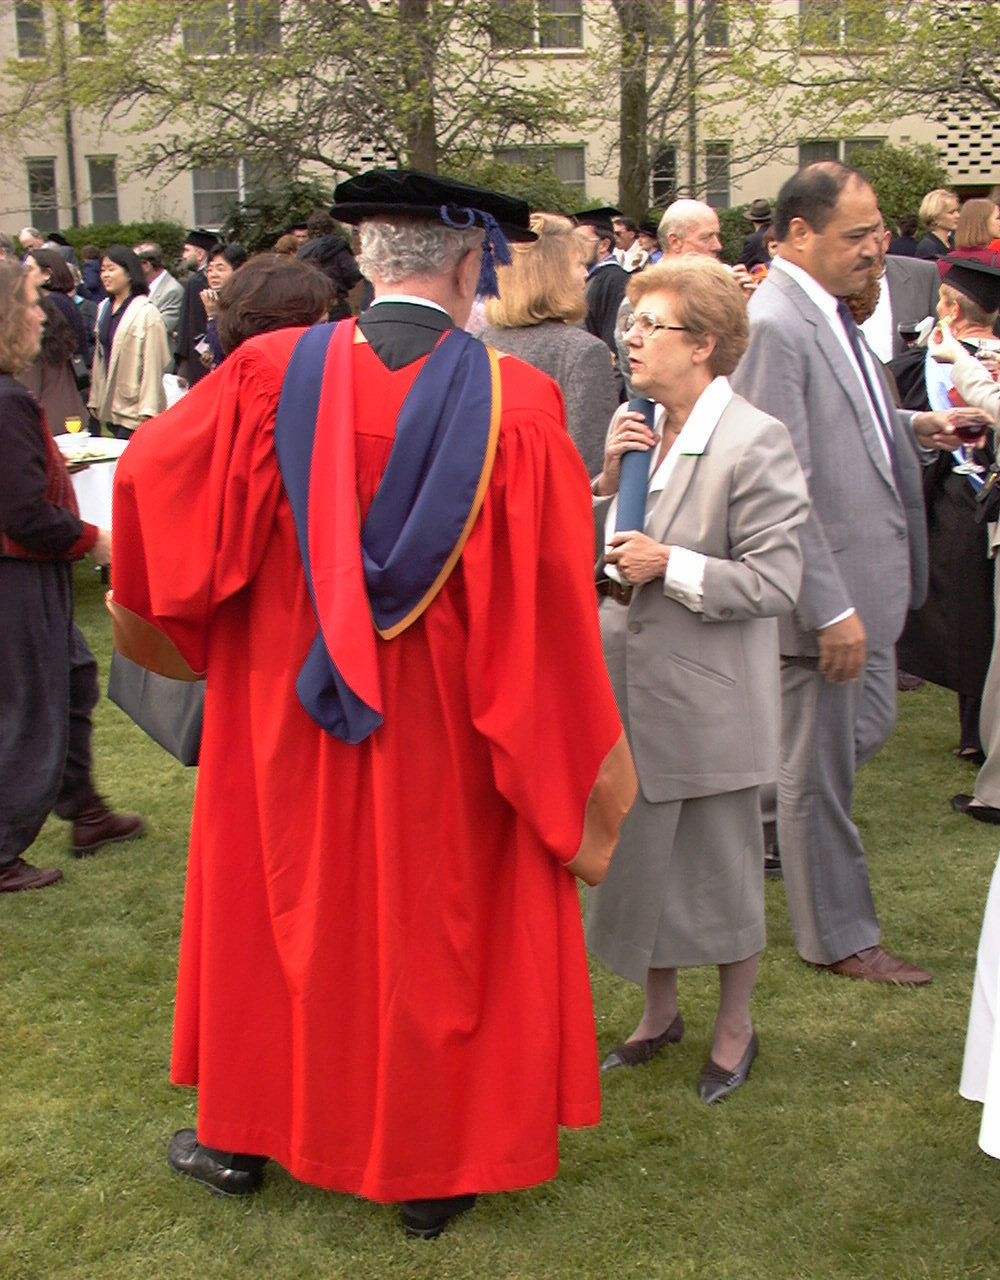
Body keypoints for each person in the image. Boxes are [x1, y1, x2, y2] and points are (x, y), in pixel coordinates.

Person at [109, 169, 636, 1239]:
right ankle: (432, 1173)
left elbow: (150, 486)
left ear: (366, 258)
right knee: (432, 934)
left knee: (274, 919)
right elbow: (544, 615)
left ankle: (240, 1137)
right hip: (441, 738)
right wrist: (556, 747)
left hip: (282, 726)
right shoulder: (519, 407)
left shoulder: (262, 375)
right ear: (468, 263)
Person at [731, 161, 963, 986]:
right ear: (797, 234)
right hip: (826, 600)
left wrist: (917, 426)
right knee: (817, 778)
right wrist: (827, 608)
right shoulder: (777, 323)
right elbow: (778, 481)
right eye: (857, 235)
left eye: (880, 232)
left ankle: (736, 825)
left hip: (865, 589)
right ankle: (839, 936)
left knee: (849, 742)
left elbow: (850, 417)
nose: (875, 249)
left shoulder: (824, 309)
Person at [587, 256, 808, 1102]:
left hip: (708, 702)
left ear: (704, 343)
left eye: (652, 326)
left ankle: (735, 1026)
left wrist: (669, 563)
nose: (633, 340)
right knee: (640, 864)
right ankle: (659, 1015)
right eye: (630, 324)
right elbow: (601, 557)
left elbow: (775, 583)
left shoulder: (755, 440)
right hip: (626, 692)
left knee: (720, 876)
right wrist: (607, 483)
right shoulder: (638, 425)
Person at [0, 261, 144, 893]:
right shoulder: (7, 401)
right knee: (30, 703)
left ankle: (83, 809)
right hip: (17, 573)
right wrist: (94, 539)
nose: (41, 315)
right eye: (31, 304)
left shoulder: (9, 395)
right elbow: (23, 513)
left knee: (70, 677)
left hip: (27, 572)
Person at [895, 257, 1000, 767]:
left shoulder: (935, 363)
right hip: (981, 498)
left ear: (952, 310)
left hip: (958, 499)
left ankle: (974, 733)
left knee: (966, 617)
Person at [480, 212, 619, 476]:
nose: (585, 273)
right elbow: (589, 468)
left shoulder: (479, 342)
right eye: (578, 264)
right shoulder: (583, 353)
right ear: (553, 276)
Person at [87, 245, 169, 439]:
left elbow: (153, 364)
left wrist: (148, 409)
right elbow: (100, 357)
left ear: (129, 273)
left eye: (111, 269)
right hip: (111, 403)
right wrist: (95, 398)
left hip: (135, 406)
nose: (105, 275)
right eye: (103, 270)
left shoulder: (146, 312)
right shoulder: (104, 308)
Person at [173, 229, 218, 387]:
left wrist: (182, 365)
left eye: (187, 250)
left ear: (200, 254)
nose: (184, 256)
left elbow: (188, 324)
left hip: (199, 357)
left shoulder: (196, 282)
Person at [198, 242, 248, 371]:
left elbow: (226, 350)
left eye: (220, 269)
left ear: (238, 271)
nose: (213, 275)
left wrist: (213, 317)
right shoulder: (215, 299)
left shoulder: (245, 303)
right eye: (209, 270)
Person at [134, 242, 184, 355]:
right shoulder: (141, 287)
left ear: (146, 265)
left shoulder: (172, 290)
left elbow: (158, 328)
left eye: (133, 264)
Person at [916, 189, 960, 261]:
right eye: (951, 212)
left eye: (957, 211)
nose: (958, 216)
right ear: (935, 218)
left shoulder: (954, 243)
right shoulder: (927, 247)